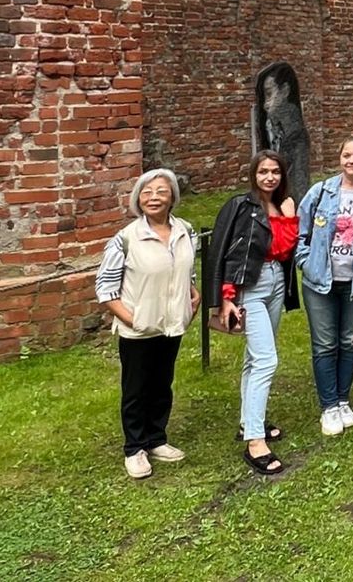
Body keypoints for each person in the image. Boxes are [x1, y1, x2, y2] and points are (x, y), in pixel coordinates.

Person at [95, 168, 199, 479]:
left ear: (172, 197)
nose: (154, 197)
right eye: (147, 192)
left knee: (162, 384)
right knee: (136, 389)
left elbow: (187, 272)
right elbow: (106, 288)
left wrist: (192, 297)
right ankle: (135, 448)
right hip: (138, 331)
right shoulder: (126, 238)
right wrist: (135, 320)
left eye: (161, 191)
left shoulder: (185, 231)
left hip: (171, 325)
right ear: (138, 199)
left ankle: (156, 438)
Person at [207, 150, 300, 475]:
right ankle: (255, 442)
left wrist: (289, 218)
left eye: (275, 171)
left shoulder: (281, 205)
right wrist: (226, 297)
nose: (269, 177)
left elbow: (285, 249)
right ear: (253, 175)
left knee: (254, 357)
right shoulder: (241, 206)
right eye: (263, 172)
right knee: (266, 360)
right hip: (250, 285)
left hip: (275, 282)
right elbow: (224, 252)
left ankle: (249, 422)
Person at [296, 138, 353, 437]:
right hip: (320, 281)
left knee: (349, 340)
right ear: (340, 158)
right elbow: (300, 231)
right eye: (347, 155)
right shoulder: (321, 192)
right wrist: (305, 262)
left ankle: (343, 399)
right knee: (324, 343)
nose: (352, 160)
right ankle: (329, 406)